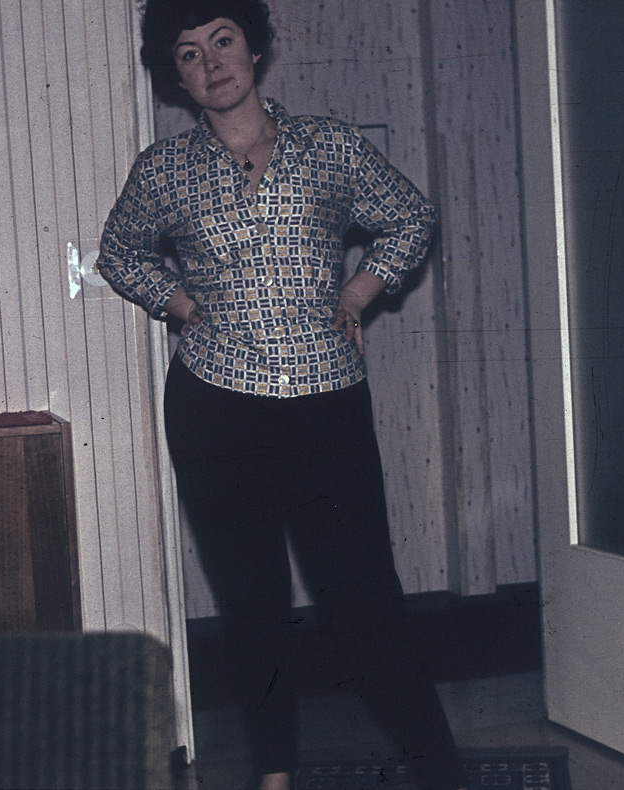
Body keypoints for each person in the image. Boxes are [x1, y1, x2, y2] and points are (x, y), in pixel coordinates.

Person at [97, 2, 468, 789]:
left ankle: (440, 772)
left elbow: (411, 218)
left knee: (366, 601)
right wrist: (183, 305)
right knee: (253, 604)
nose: (211, 63)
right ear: (177, 76)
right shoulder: (162, 170)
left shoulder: (330, 145)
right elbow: (120, 253)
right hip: (215, 409)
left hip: (327, 405)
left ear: (255, 47)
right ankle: (275, 777)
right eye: (189, 53)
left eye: (222, 40)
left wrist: (358, 293)